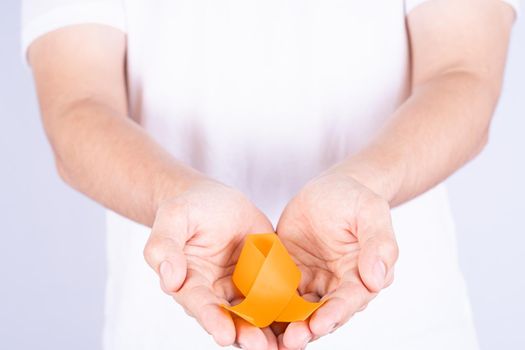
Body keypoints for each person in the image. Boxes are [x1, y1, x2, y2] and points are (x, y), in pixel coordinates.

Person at [22, 0, 519, 349]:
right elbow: (77, 104)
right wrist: (175, 194)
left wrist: (365, 184)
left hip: (406, 324)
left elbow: (463, 73)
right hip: (176, 316)